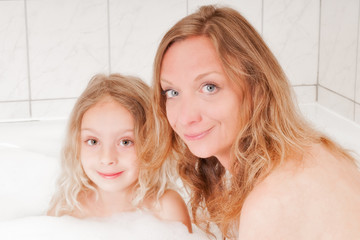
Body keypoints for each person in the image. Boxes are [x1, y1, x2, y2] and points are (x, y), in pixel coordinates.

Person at [145, 5, 360, 239]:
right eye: (172, 92)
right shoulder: (314, 150)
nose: (186, 117)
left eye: (209, 87)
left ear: (257, 88)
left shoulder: (270, 203)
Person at [47, 73, 192, 233]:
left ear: (152, 145)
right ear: (76, 144)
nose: (107, 158)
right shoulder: (67, 206)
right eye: (93, 141)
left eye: (125, 142)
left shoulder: (165, 208)